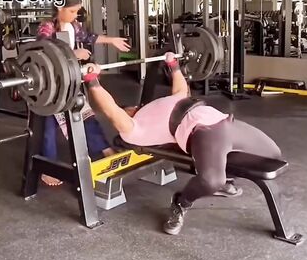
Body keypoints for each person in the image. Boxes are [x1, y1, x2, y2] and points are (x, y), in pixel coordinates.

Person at [84, 53, 282, 236]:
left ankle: (224, 176)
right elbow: (110, 109)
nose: (130, 108)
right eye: (126, 109)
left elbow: (180, 90)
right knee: (211, 180)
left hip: (225, 121)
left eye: (132, 106)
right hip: (202, 132)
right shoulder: (133, 129)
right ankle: (181, 202)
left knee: (273, 154)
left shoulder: (160, 103)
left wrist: (174, 65)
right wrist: (93, 81)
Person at [37, 0, 131, 186]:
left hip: (69, 82)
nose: (75, 15)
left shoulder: (73, 26)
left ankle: (105, 150)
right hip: (49, 87)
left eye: (77, 11)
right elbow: (45, 53)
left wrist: (111, 40)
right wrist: (74, 54)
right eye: (71, 11)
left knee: (84, 114)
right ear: (59, 7)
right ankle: (47, 168)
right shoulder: (47, 28)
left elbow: (89, 37)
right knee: (48, 126)